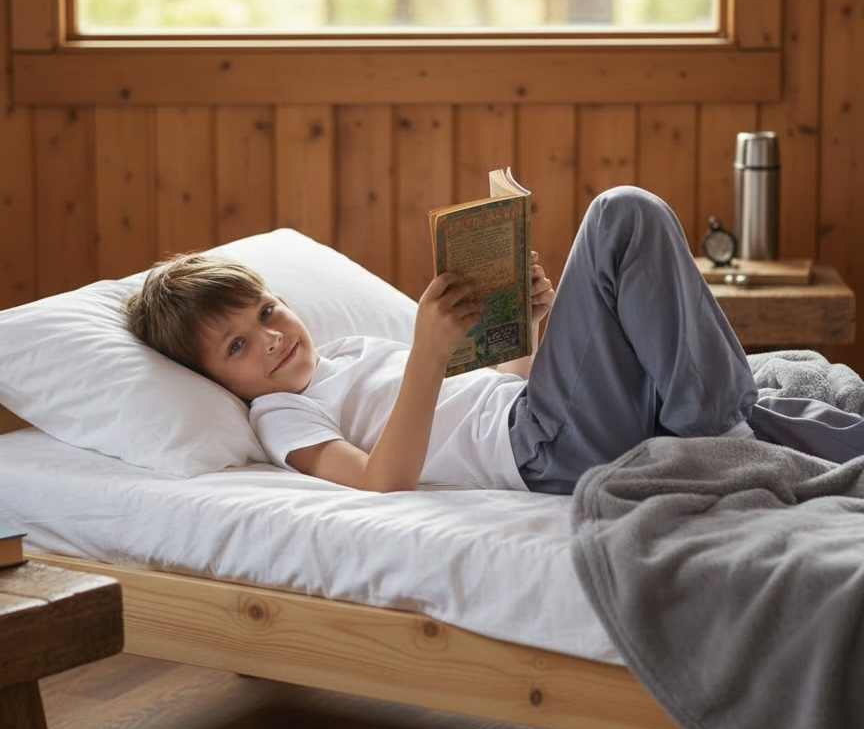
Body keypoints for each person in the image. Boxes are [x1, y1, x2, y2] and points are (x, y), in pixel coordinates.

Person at [124, 186, 860, 495]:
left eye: (266, 312)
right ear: (221, 383)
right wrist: (426, 354)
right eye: (236, 348)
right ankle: (722, 429)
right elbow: (382, 479)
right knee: (618, 215)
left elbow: (504, 388)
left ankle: (719, 421)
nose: (269, 339)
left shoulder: (347, 355)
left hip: (540, 415)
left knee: (624, 230)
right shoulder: (277, 417)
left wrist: (529, 324)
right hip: (543, 449)